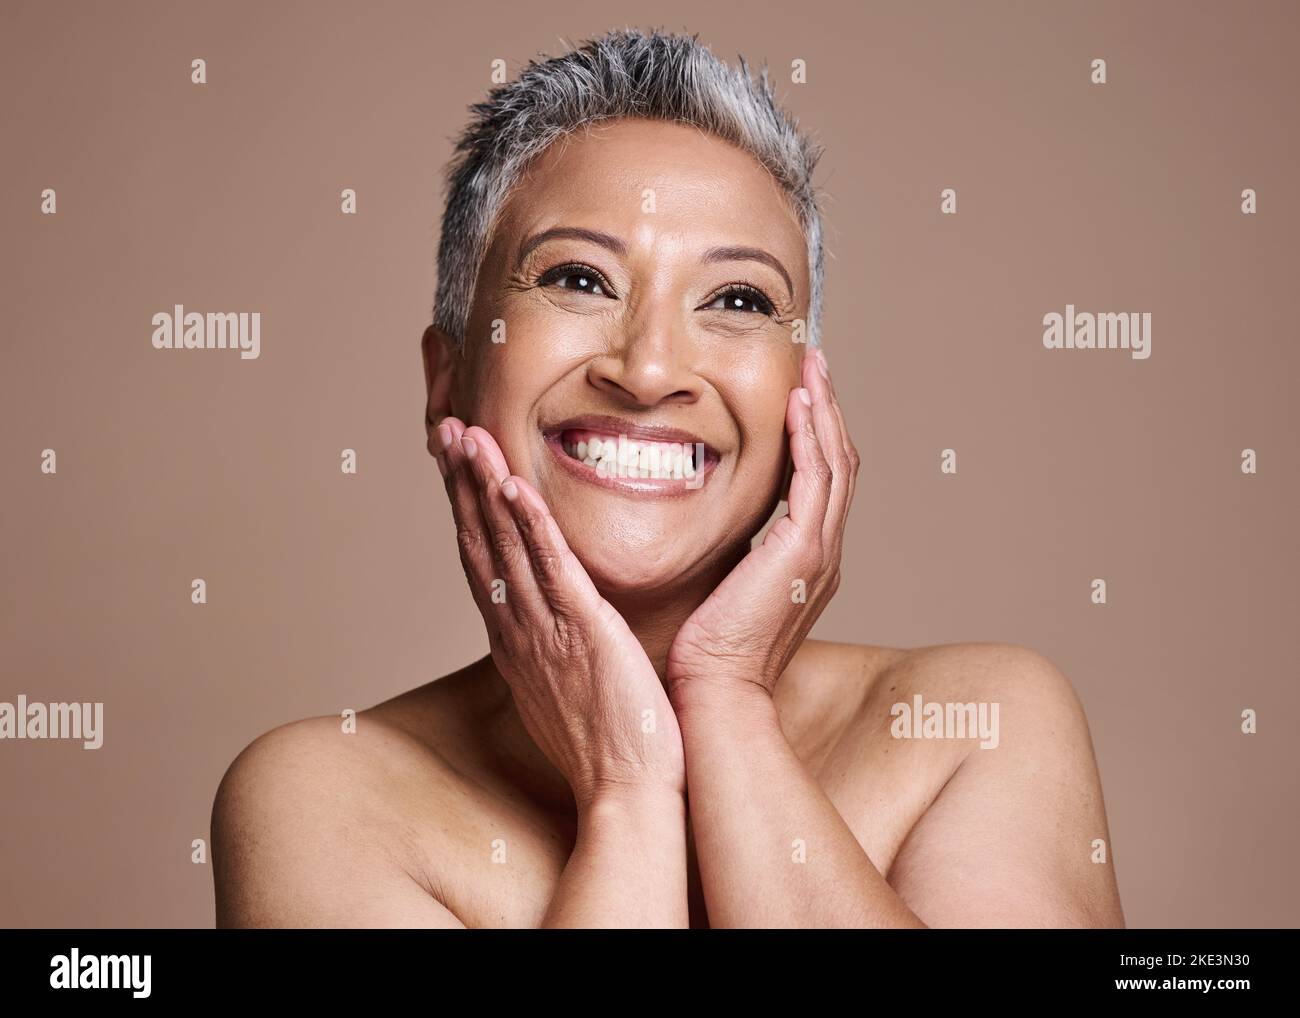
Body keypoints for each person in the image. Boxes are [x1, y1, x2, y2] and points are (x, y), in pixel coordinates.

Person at [211, 28, 1125, 929]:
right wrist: (626, 788)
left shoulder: (976, 727)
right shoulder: (321, 796)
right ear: (446, 377)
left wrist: (727, 698)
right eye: (577, 279)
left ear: (807, 391)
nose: (648, 371)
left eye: (738, 300)